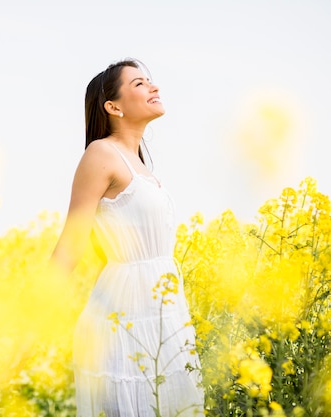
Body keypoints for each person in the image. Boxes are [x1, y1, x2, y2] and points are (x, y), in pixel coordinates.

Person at [49, 59, 204, 416]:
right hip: (124, 315)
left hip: (163, 311)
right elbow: (71, 244)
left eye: (151, 81)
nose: (154, 88)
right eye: (139, 83)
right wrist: (29, 319)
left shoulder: (142, 167)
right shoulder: (101, 153)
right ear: (113, 106)